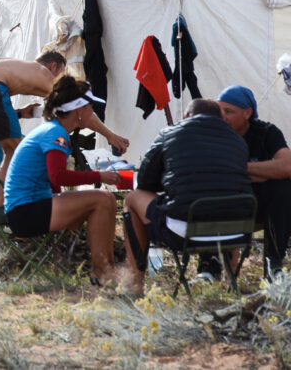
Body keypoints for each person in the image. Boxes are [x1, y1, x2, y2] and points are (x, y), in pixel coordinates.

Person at [0, 51, 129, 221]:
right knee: (14, 151)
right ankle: (3, 212)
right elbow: (79, 108)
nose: (58, 79)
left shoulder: (14, 66)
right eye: (60, 73)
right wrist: (110, 135)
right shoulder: (44, 74)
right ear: (53, 67)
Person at [122, 99, 253, 296]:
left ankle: (134, 286)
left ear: (186, 116)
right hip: (237, 232)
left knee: (132, 199)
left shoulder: (170, 134)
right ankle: (230, 281)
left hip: (185, 232)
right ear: (220, 119)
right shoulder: (238, 141)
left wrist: (171, 181)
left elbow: (144, 181)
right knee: (227, 201)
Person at [4, 75, 121, 285]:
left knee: (105, 201)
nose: (92, 112)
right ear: (79, 111)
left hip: (26, 207)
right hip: (25, 212)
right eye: (90, 107)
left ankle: (105, 269)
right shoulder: (56, 134)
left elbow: (52, 181)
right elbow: (57, 176)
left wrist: (69, 203)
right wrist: (100, 176)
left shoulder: (52, 129)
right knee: (103, 199)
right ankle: (102, 271)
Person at [196, 86, 291, 279]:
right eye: (219, 110)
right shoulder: (212, 132)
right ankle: (209, 267)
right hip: (222, 205)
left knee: (282, 188)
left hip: (257, 205)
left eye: (229, 111)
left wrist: (239, 168)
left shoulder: (266, 132)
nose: (222, 116)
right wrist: (263, 172)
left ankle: (273, 265)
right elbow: (206, 172)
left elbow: (287, 166)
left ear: (247, 113)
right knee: (203, 189)